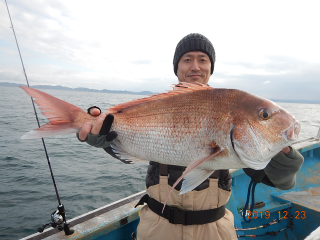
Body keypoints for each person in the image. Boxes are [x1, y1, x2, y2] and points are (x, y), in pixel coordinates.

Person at [77, 33, 304, 240]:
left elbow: (274, 179)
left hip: (214, 230)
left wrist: (284, 167)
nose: (195, 66)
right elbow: (132, 145)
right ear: (177, 67)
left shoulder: (231, 109)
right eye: (187, 59)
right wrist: (104, 139)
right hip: (157, 227)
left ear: (210, 67)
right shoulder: (159, 104)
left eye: (203, 59)